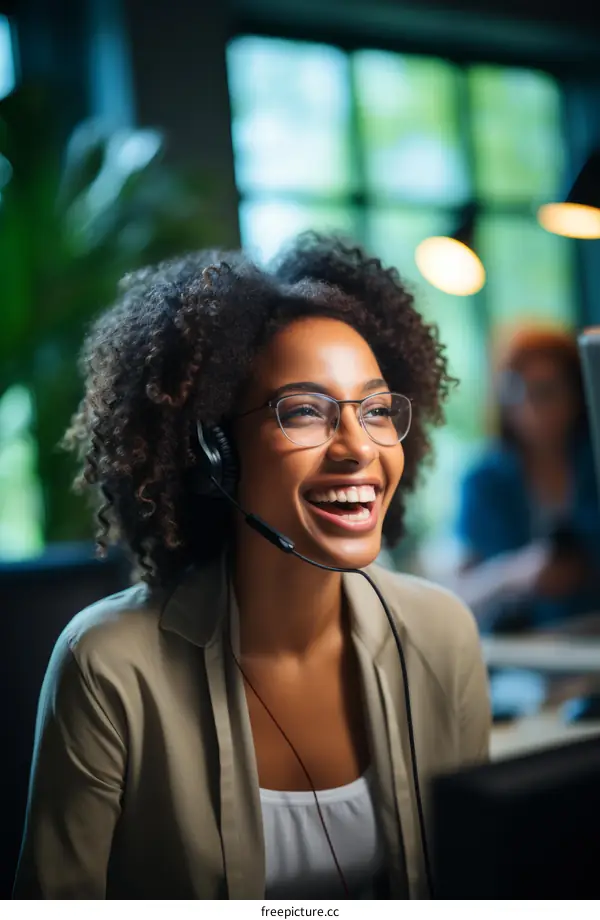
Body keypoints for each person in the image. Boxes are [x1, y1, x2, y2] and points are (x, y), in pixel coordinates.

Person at [13, 234, 490, 899]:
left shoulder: (441, 633)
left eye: (377, 410)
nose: (358, 447)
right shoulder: (107, 665)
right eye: (304, 412)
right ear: (215, 451)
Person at [454, 323, 600, 632]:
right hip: (522, 654)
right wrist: (514, 574)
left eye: (546, 391)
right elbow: (458, 596)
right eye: (516, 390)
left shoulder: (593, 464)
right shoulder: (485, 481)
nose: (530, 407)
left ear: (577, 394)